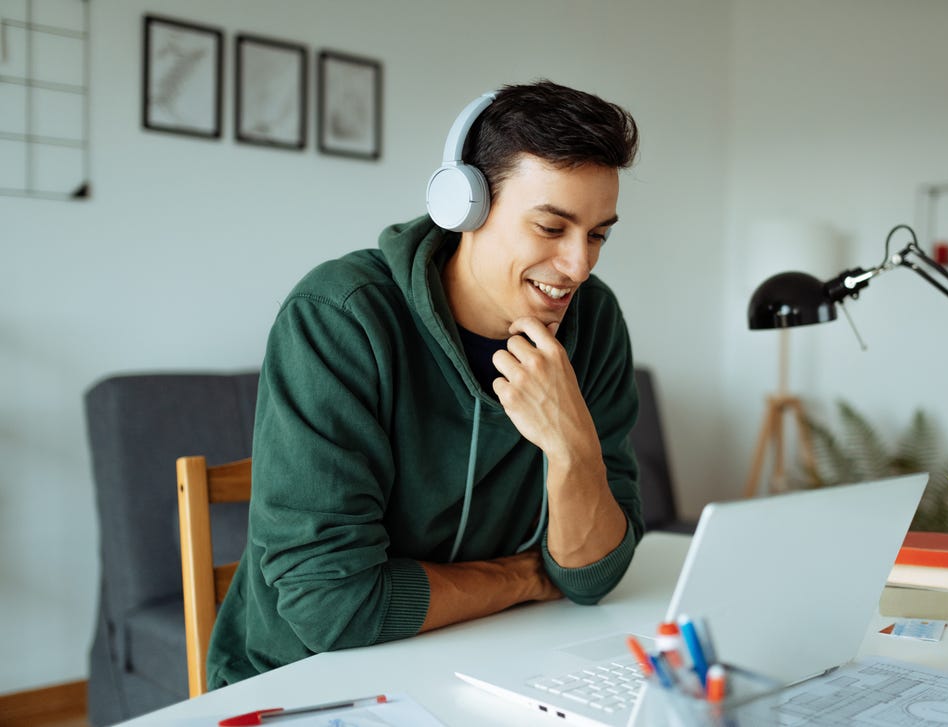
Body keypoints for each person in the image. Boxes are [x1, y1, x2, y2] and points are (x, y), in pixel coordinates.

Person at [206, 80, 644, 687]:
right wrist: (524, 577)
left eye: (598, 234)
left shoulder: (595, 323)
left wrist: (573, 448)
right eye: (551, 228)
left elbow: (593, 576)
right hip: (305, 682)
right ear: (463, 206)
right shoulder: (341, 317)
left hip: (492, 660)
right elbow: (332, 608)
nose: (580, 265)